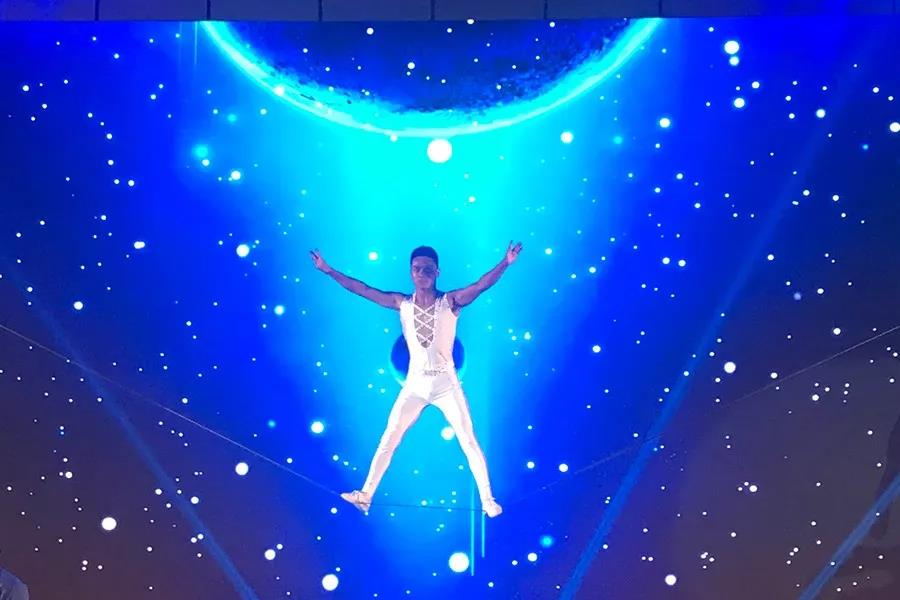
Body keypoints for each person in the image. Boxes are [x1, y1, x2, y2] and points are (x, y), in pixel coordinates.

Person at [310, 242, 523, 518]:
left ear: (437, 272)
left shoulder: (450, 302)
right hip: (415, 386)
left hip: (446, 386)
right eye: (417, 268)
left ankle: (487, 500)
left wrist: (505, 262)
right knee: (389, 437)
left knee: (468, 440)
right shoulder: (402, 304)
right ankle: (365, 496)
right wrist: (327, 270)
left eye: (428, 269)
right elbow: (361, 289)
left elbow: (481, 285)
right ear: (410, 272)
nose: (422, 273)